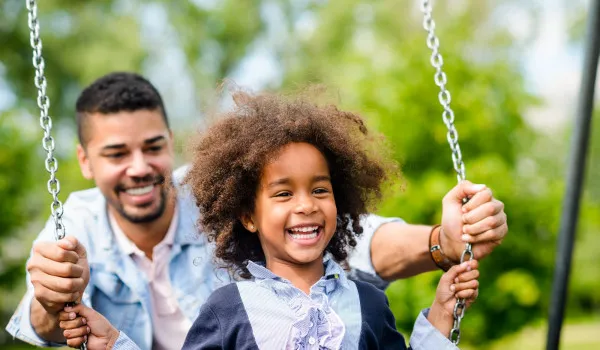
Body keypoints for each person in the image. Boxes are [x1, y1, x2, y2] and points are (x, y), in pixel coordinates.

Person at [6, 72, 506, 349]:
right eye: (117, 153)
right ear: (84, 161)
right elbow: (43, 318)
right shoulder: (77, 222)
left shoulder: (365, 305)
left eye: (152, 147)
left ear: (171, 142)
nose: (139, 167)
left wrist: (443, 244)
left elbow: (365, 240)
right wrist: (73, 317)